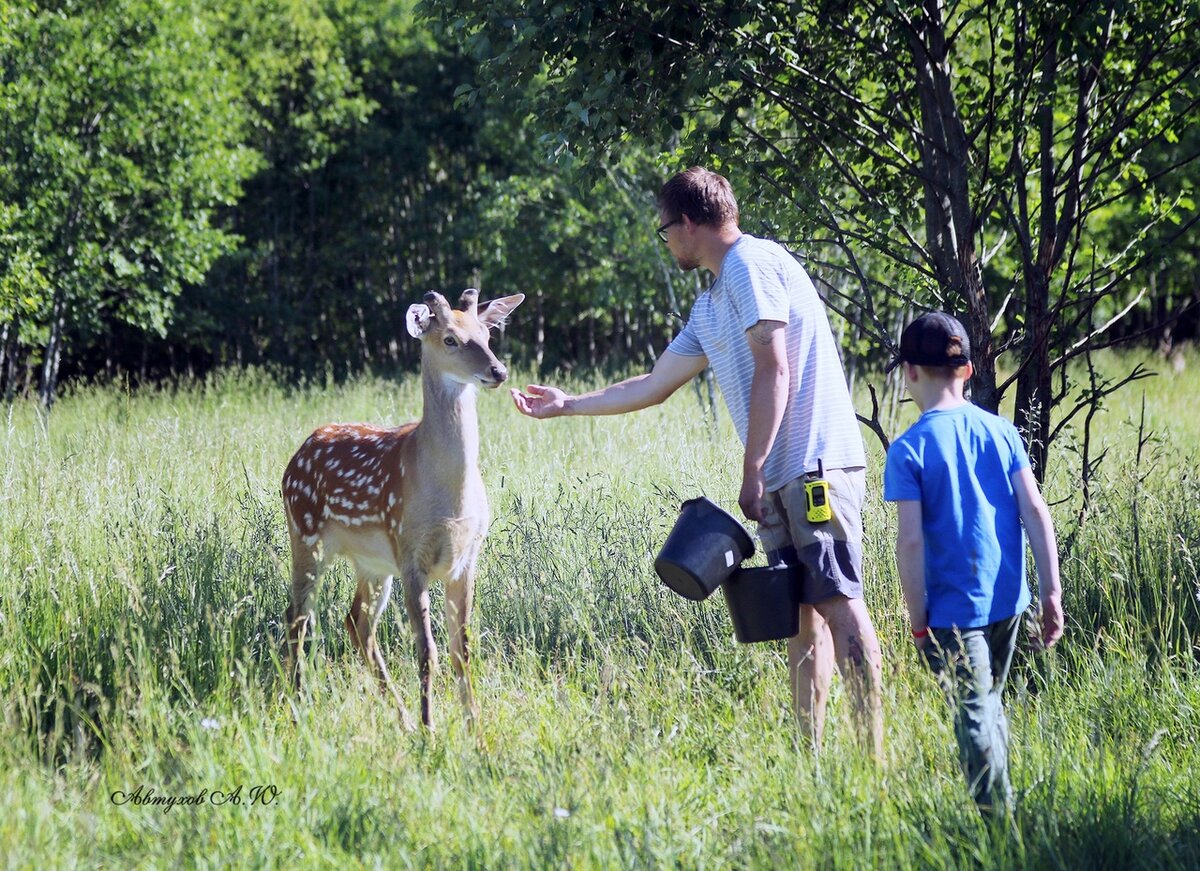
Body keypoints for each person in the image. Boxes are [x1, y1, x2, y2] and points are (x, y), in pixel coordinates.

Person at [510, 166, 883, 757]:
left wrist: (752, 467)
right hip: (779, 475)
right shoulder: (712, 303)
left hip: (812, 468)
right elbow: (655, 384)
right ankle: (810, 760)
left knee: (837, 600)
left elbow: (774, 367)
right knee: (802, 617)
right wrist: (567, 404)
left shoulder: (750, 265)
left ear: (687, 223)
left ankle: (872, 760)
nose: (667, 243)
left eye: (665, 231)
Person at [883, 311, 1065, 814]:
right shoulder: (1002, 432)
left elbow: (912, 544)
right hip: (1010, 599)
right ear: (966, 371)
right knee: (990, 701)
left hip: (953, 612)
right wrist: (1051, 591)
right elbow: (1035, 510)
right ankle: (1000, 804)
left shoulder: (908, 449)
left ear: (910, 372)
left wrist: (918, 620)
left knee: (974, 712)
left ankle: (996, 824)